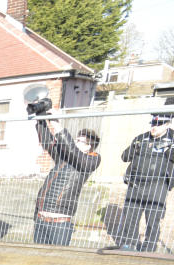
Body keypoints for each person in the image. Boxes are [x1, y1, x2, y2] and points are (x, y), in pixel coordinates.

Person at [32, 116, 101, 246]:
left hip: (60, 223)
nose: (75, 142)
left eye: (80, 141)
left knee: (57, 261)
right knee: (38, 259)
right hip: (41, 218)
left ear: (89, 147)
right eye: (76, 139)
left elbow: (73, 151)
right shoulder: (63, 157)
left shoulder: (91, 160)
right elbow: (48, 142)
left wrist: (56, 123)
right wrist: (40, 119)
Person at [116, 107, 174, 252]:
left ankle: (149, 247)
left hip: (158, 185)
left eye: (158, 124)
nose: (154, 127)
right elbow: (125, 157)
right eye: (152, 124)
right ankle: (129, 243)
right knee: (131, 216)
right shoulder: (141, 138)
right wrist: (135, 147)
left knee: (153, 219)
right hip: (136, 183)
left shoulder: (173, 139)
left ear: (168, 124)